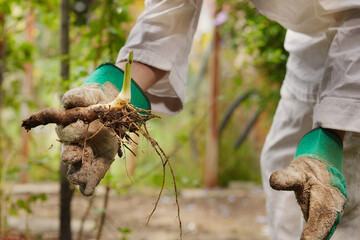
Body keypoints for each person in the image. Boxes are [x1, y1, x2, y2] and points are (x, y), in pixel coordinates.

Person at [55, 0, 360, 239]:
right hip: (309, 44)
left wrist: (329, 138)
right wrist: (119, 88)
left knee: (335, 197)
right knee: (282, 173)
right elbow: (170, 10)